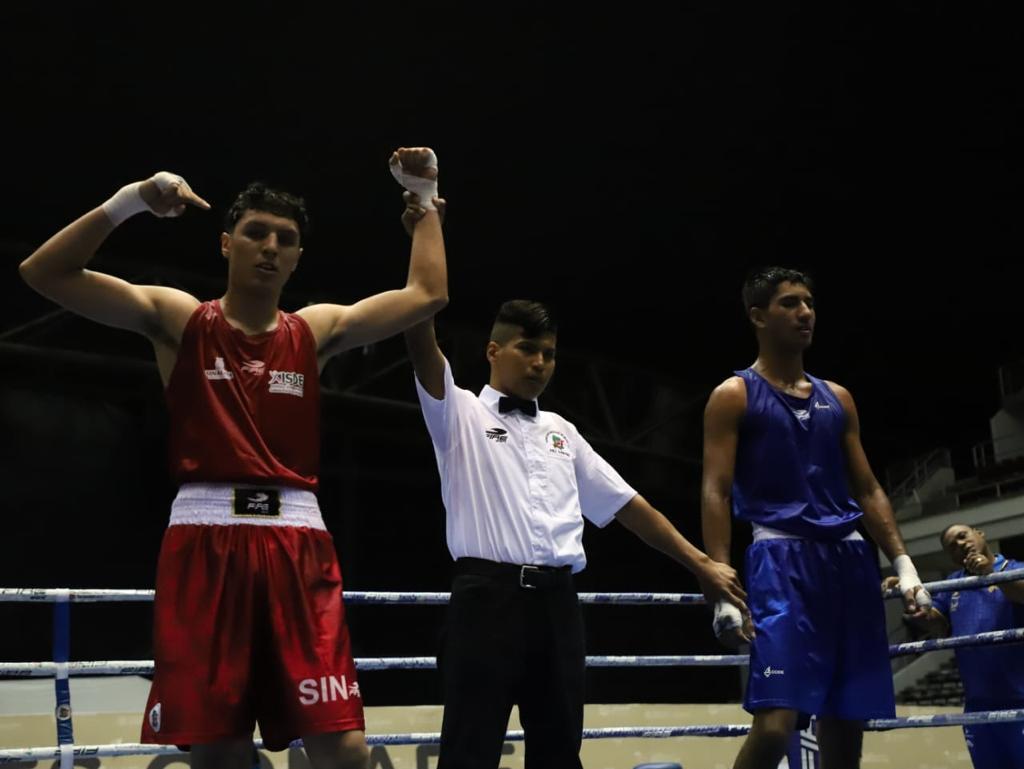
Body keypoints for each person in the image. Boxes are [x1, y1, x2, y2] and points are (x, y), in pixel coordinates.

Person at [18, 149, 448, 769]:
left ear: (299, 256)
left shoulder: (316, 329)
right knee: (216, 750)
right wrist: (132, 200)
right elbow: (45, 273)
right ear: (226, 243)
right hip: (204, 540)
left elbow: (428, 294)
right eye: (256, 233)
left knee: (344, 747)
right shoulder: (180, 318)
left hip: (299, 543)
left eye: (286, 238)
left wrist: (426, 198)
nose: (270, 246)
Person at [399, 195, 747, 769]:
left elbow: (629, 506)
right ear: (493, 350)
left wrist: (701, 565)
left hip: (559, 605)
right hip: (485, 601)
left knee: (560, 752)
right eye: (528, 349)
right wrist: (423, 234)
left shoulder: (562, 430)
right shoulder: (458, 413)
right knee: (469, 750)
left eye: (550, 354)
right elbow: (419, 337)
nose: (540, 362)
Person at [700, 266, 931, 769]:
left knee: (846, 719)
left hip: (850, 560)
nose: (804, 312)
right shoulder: (733, 395)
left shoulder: (838, 397)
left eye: (808, 302)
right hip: (780, 561)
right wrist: (719, 580)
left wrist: (904, 561)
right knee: (777, 720)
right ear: (758, 315)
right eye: (789, 303)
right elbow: (715, 489)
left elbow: (867, 487)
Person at [900, 524, 1024, 769]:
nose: (960, 545)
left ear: (980, 533)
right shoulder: (953, 584)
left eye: (962, 536)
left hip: (1021, 698)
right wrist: (910, 595)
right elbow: (937, 621)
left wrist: (991, 575)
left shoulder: (1014, 568)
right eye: (952, 547)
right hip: (977, 705)